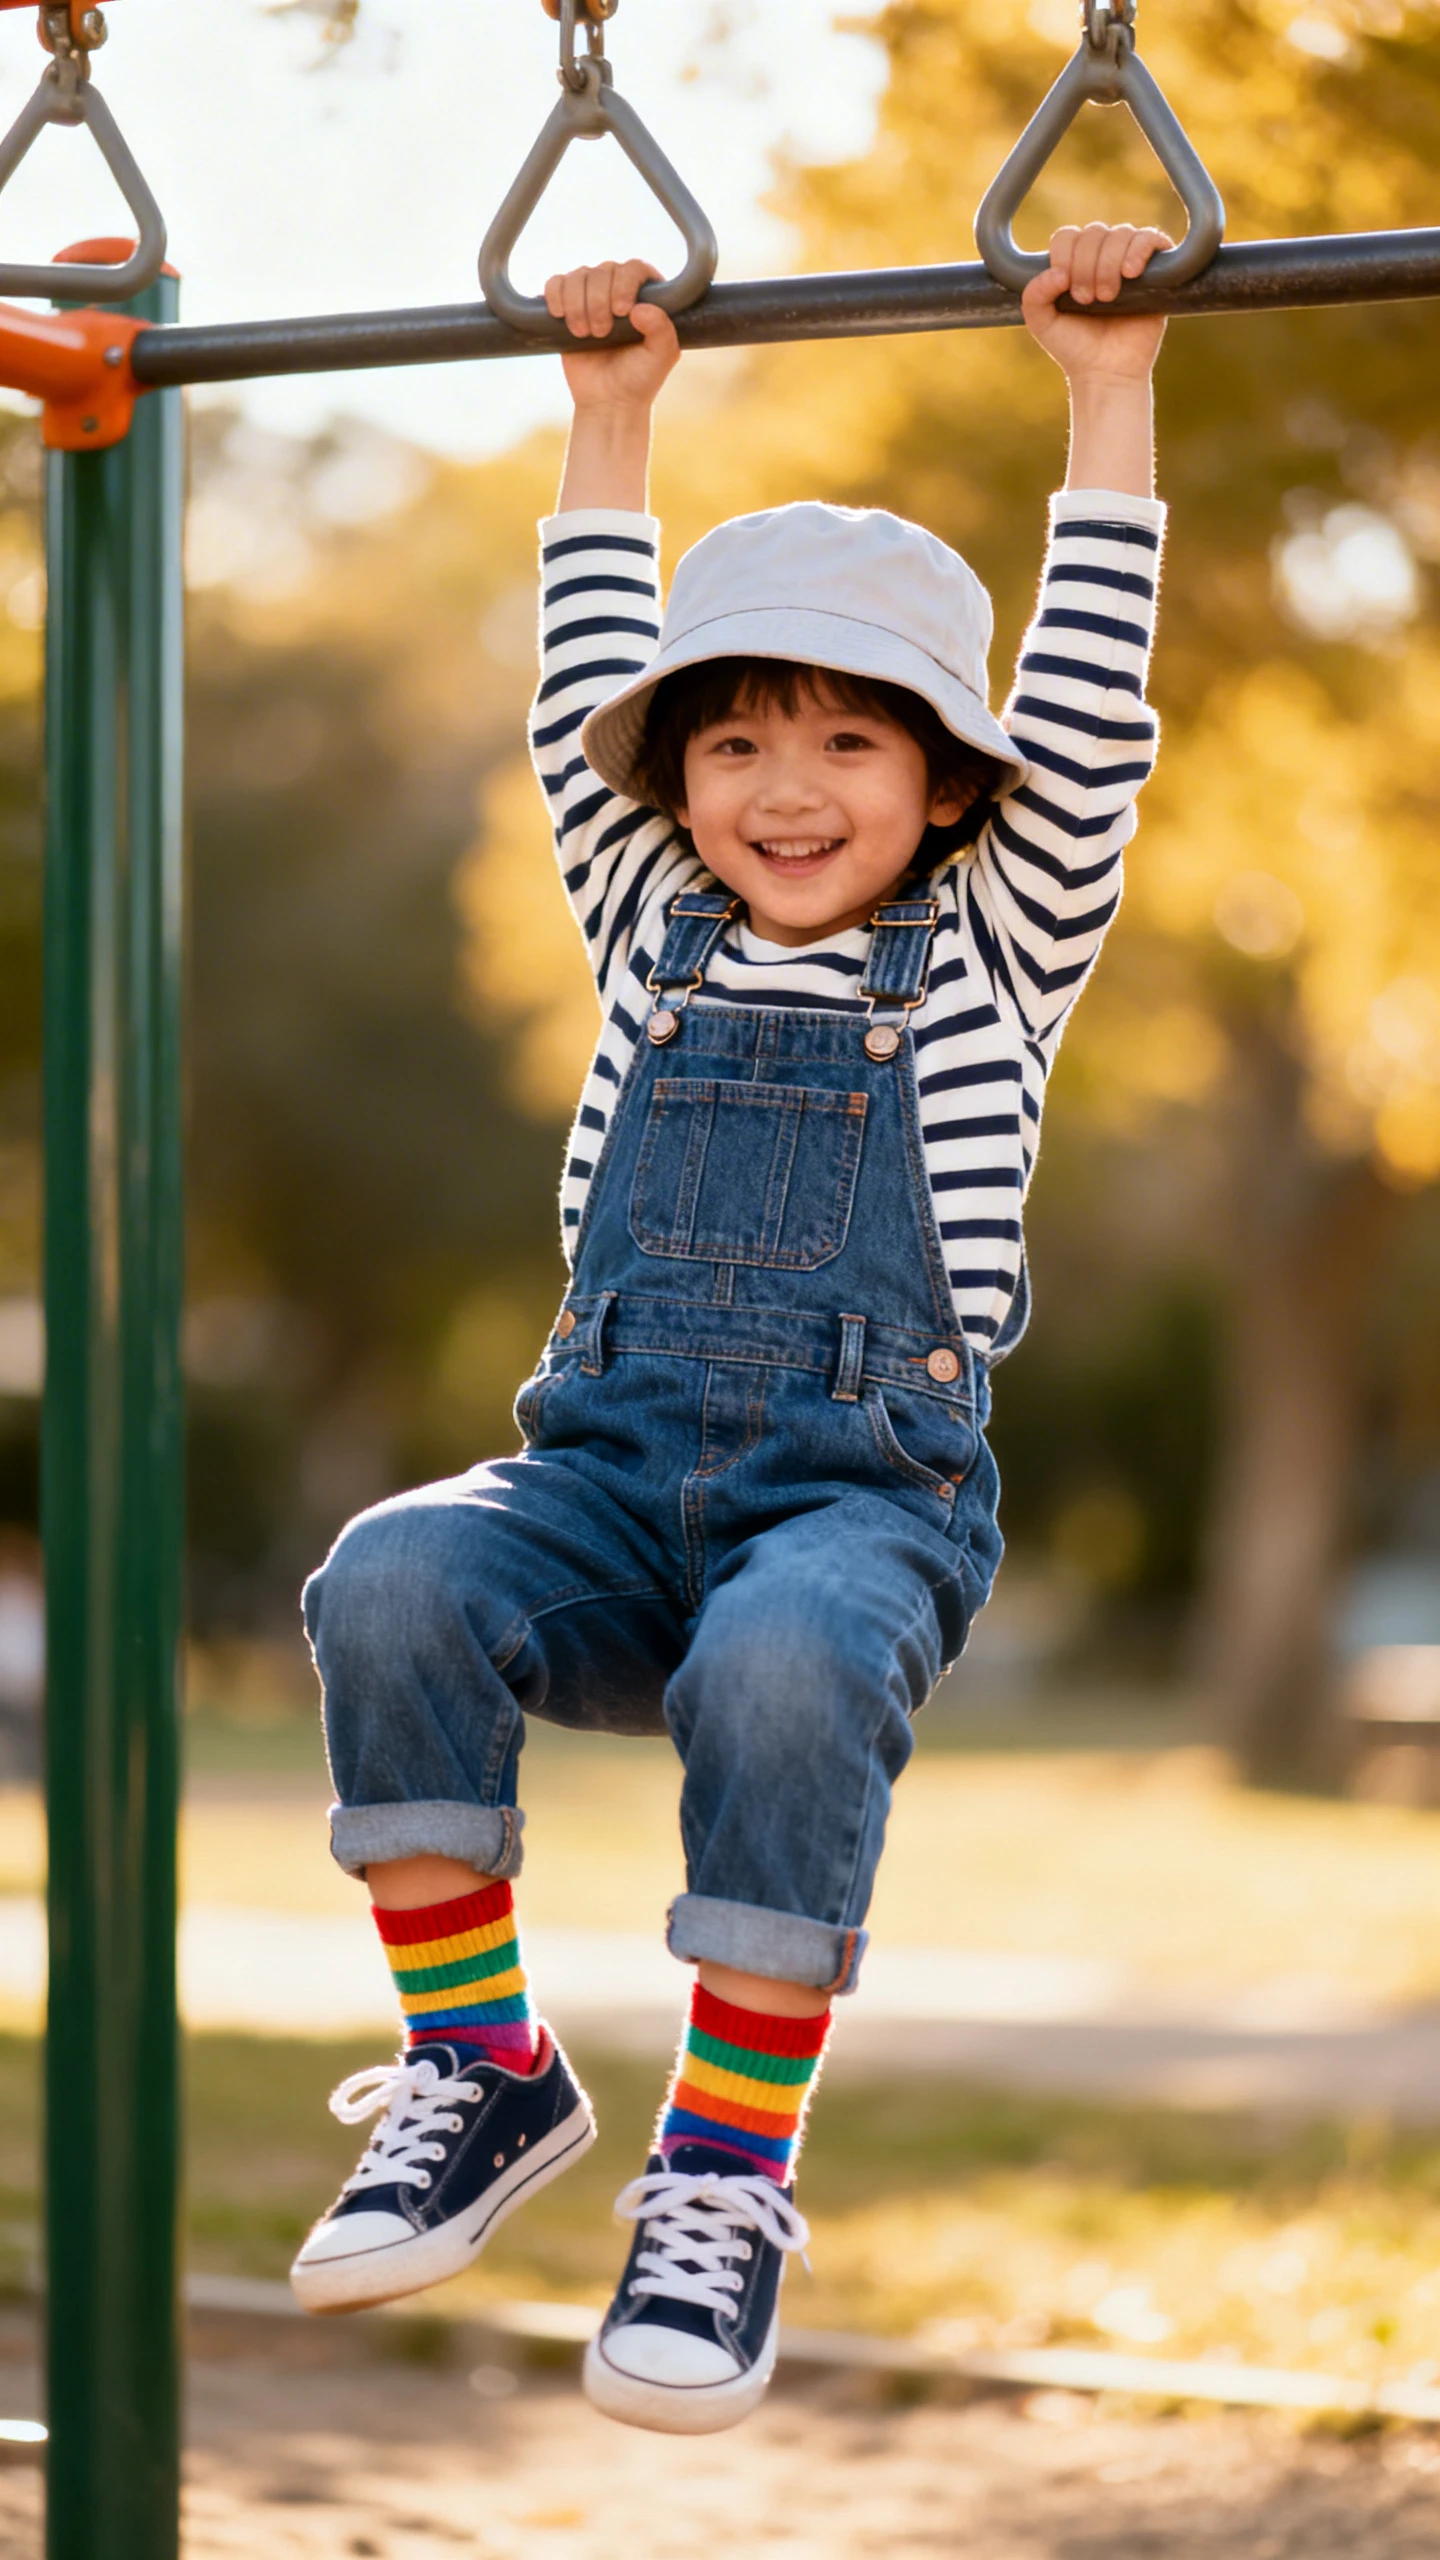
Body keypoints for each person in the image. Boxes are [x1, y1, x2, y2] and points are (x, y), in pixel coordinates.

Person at [289, 219, 1170, 2436]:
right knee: (391, 1567)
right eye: (740, 738)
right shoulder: (642, 914)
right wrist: (608, 416)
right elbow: (576, 670)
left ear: (950, 785)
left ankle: (720, 2173)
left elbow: (1092, 707)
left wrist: (1106, 387)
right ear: (672, 778)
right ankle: (481, 2066)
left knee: (782, 1667)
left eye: (851, 743)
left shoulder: (1002, 937)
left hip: (850, 1504)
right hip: (598, 1478)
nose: (786, 787)